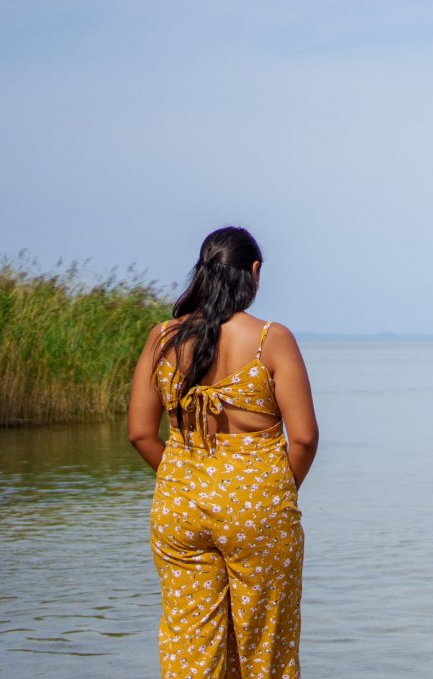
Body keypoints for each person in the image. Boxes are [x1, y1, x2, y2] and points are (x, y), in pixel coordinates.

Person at [127, 226, 318, 679]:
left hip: (179, 504)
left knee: (189, 645)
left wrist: (183, 475)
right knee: (264, 646)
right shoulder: (271, 339)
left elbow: (140, 433)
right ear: (253, 272)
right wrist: (276, 490)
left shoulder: (162, 338)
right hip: (257, 505)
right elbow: (305, 438)